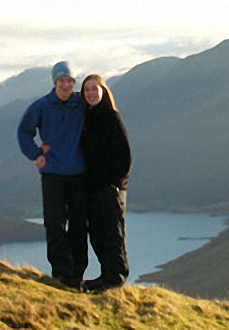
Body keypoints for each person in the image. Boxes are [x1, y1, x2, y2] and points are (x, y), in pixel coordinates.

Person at [17, 61, 87, 289]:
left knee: (78, 226)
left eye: (70, 81)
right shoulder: (42, 106)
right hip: (53, 175)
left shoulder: (81, 103)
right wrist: (35, 154)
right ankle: (60, 276)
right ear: (54, 82)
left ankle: (76, 276)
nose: (66, 85)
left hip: (79, 174)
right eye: (62, 80)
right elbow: (24, 132)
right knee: (54, 224)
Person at [80, 74, 131, 292]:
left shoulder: (112, 117)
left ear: (103, 91)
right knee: (97, 234)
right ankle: (105, 276)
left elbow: (125, 158)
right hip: (92, 188)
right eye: (87, 90)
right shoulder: (86, 117)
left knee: (113, 234)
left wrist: (114, 184)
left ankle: (116, 279)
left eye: (94, 89)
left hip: (110, 189)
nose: (91, 93)